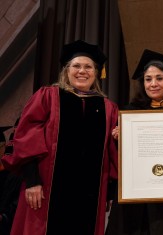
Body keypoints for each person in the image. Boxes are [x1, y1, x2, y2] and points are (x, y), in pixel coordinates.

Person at [1, 40, 119, 235]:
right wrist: (32, 181)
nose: (82, 71)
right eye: (77, 66)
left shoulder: (107, 108)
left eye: (88, 67)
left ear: (97, 72)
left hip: (88, 197)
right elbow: (26, 137)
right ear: (67, 70)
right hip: (44, 190)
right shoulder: (48, 97)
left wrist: (108, 192)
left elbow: (110, 154)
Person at [106, 49, 163, 235]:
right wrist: (119, 139)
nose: (153, 84)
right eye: (148, 79)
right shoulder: (130, 113)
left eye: (159, 78)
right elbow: (123, 158)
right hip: (136, 190)